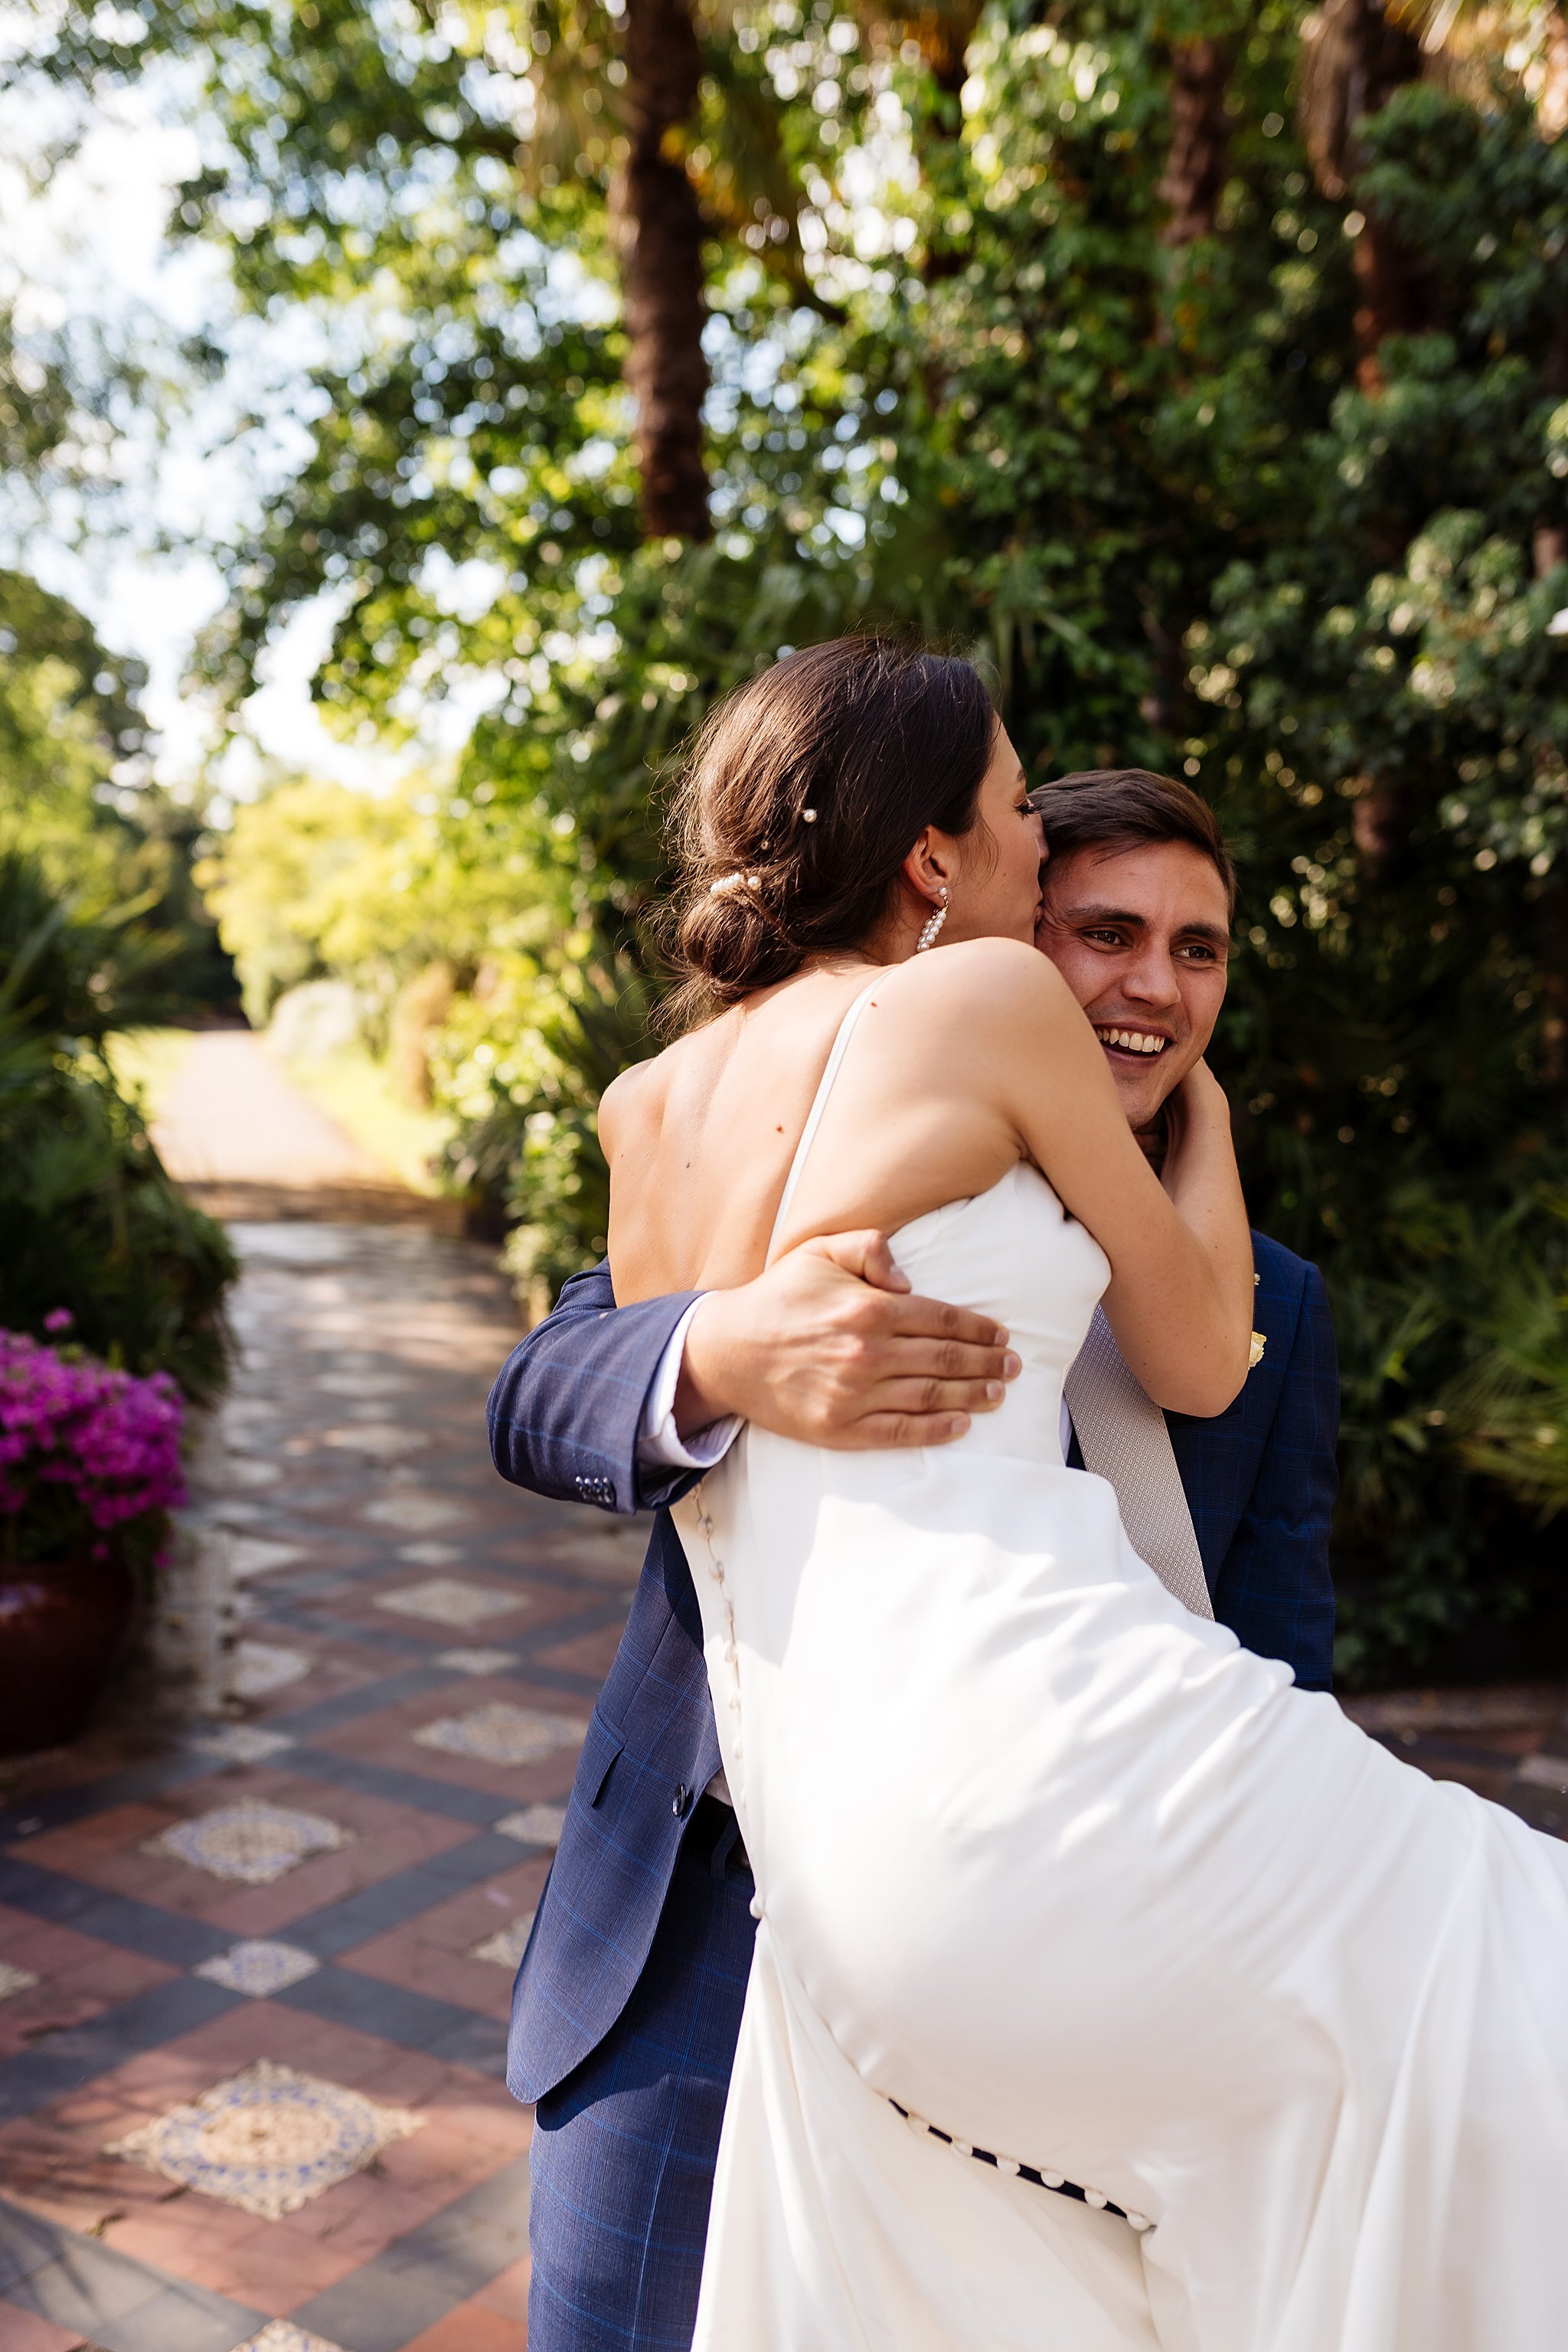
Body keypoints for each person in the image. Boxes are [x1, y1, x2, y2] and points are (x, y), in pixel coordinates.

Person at [586, 634, 1568, 2349]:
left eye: (1201, 955)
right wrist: (1209, 1116)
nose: (1034, 832)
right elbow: (1196, 1355)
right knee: (1504, 1988)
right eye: (1016, 809)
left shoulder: (643, 1105)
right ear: (933, 861)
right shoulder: (980, 1001)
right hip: (1036, 1755)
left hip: (849, 1856)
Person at [489, 763, 1338, 2350]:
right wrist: (723, 1353)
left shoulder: (1267, 1304)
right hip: (705, 1945)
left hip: (1085, 1980)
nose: (1151, 985)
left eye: (1199, 948)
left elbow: (1285, 1653)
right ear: (1000, 923)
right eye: (1102, 932)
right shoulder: (807, 1153)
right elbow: (537, 1396)